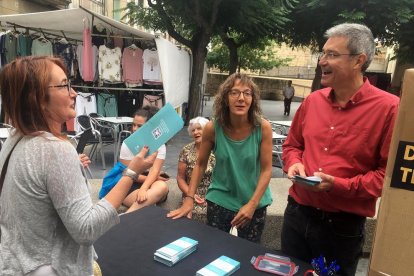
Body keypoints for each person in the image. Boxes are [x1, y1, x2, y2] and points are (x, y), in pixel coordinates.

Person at [0, 56, 157, 275]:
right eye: (64, 86)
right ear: (37, 98)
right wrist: (131, 173)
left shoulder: (14, 139)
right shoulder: (53, 149)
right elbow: (86, 229)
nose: (74, 93)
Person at [281, 23, 399, 276]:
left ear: (359, 60)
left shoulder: (390, 109)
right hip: (296, 214)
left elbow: (385, 177)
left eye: (332, 55)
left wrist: (339, 185)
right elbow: (292, 145)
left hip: (341, 228)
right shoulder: (313, 101)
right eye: (322, 53)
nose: (322, 61)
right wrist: (294, 163)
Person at [168, 73, 273, 243]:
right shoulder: (213, 128)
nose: (241, 98)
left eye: (247, 93)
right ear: (225, 98)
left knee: (247, 256)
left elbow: (267, 170)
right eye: (234, 93)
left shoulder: (263, 128)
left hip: (253, 204)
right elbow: (200, 164)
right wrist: (189, 199)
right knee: (214, 251)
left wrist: (252, 204)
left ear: (253, 99)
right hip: (220, 202)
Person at [119, 106, 169, 213]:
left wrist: (144, 188)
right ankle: (128, 215)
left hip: (149, 181)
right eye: (133, 125)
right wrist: (154, 179)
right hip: (130, 182)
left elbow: (155, 170)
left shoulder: (159, 144)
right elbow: (127, 173)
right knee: (149, 200)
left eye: (139, 126)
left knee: (162, 187)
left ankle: (127, 215)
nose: (135, 129)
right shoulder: (127, 144)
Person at [177, 116, 215, 223]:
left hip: (211, 196)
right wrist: (191, 195)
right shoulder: (186, 150)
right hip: (190, 194)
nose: (195, 132)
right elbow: (180, 178)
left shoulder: (216, 150)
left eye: (199, 129)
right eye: (193, 130)